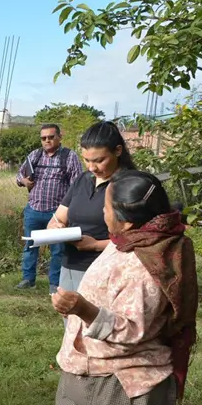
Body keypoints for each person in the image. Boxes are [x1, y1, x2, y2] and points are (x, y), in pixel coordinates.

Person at [50, 170, 198, 405]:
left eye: (106, 208)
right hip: (96, 374)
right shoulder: (138, 239)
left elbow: (132, 332)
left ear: (127, 217)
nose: (103, 214)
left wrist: (82, 308)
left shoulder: (141, 268)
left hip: (121, 385)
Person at [47, 121, 135, 293]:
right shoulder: (82, 180)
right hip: (71, 266)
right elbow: (57, 219)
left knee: (101, 319)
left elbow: (140, 239)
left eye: (99, 160)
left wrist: (95, 245)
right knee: (71, 318)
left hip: (109, 269)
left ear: (118, 151)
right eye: (86, 160)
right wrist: (56, 227)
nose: (91, 167)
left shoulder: (130, 186)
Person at [16, 124, 84, 293]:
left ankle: (55, 284)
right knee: (30, 247)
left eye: (51, 137)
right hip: (33, 209)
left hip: (57, 213)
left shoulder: (69, 157)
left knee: (58, 250)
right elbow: (19, 175)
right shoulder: (35, 155)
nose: (47, 140)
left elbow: (77, 185)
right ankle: (28, 279)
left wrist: (70, 211)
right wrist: (24, 181)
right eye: (43, 138)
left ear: (59, 137)